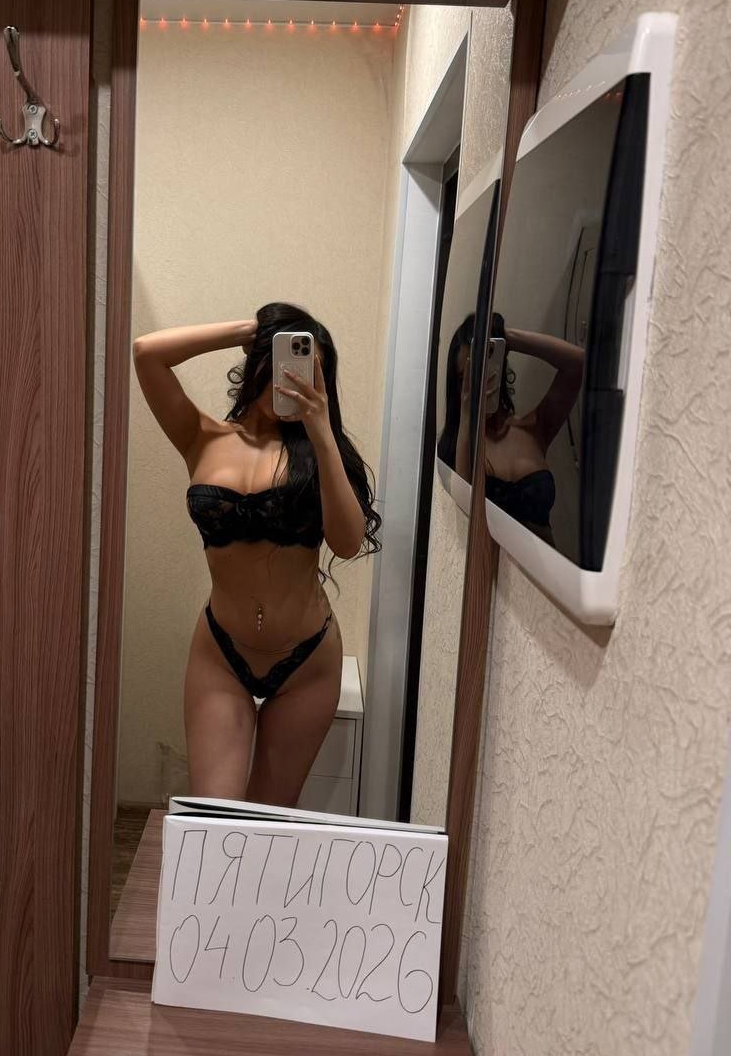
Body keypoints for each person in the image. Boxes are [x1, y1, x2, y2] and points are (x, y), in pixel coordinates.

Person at [132, 302, 381, 806]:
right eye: (285, 360)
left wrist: (321, 431)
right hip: (221, 653)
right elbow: (146, 353)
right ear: (261, 357)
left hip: (306, 661)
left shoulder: (320, 454)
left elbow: (347, 542)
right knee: (215, 820)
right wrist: (253, 329)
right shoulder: (201, 436)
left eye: (306, 369)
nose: (291, 378)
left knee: (266, 827)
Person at [438, 313, 584, 544]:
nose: (475, 386)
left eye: (481, 373)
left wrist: (505, 337)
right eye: (464, 378)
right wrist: (467, 418)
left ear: (497, 367)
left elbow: (578, 363)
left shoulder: (532, 428)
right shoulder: (455, 448)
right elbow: (465, 514)